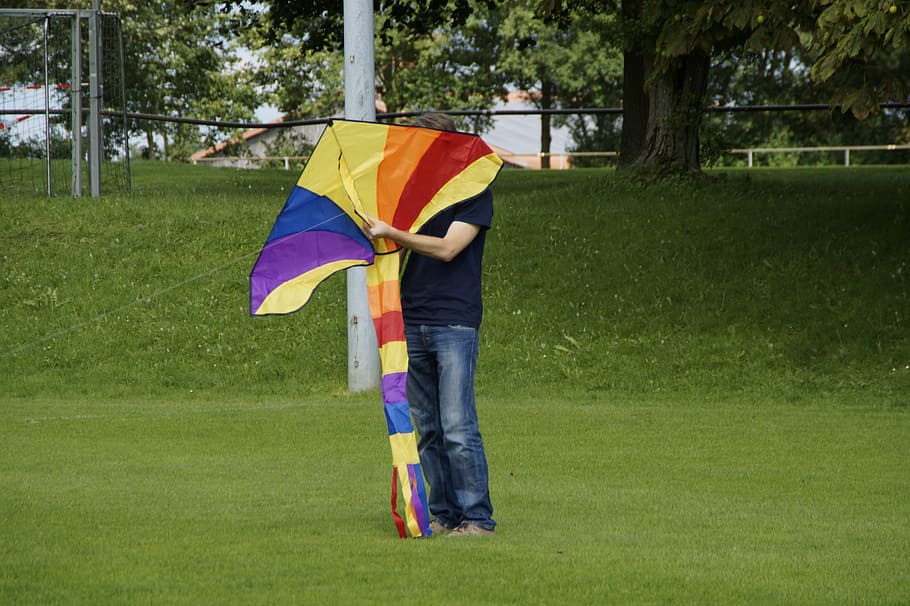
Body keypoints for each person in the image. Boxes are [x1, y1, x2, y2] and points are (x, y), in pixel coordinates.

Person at [362, 113, 496, 537]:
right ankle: (444, 514)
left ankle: (478, 518)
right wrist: (380, 239)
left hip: (454, 321)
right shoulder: (413, 192)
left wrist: (395, 233)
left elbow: (448, 248)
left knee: (457, 425)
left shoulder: (474, 189)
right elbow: (396, 252)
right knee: (429, 426)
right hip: (413, 317)